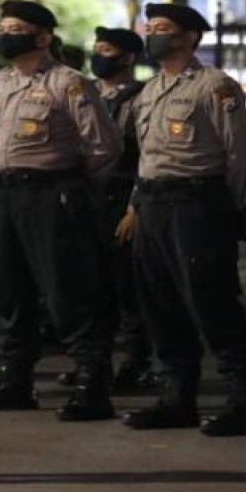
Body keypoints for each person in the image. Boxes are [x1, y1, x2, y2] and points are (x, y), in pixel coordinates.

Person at [0, 0, 123, 423]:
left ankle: (91, 383)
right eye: (3, 26)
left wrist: (71, 185)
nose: (5, 34)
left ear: (43, 37)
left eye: (16, 28)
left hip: (50, 194)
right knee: (6, 288)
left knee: (68, 289)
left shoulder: (68, 84)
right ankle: (15, 379)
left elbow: (104, 146)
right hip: (3, 195)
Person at [121, 2, 246, 437]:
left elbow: (239, 152)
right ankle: (176, 397)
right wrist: (134, 205)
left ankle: (244, 400)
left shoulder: (214, 85)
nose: (153, 35)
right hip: (153, 205)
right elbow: (147, 157)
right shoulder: (149, 91)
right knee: (160, 303)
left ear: (190, 37)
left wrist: (226, 207)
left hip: (196, 202)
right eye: (150, 28)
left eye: (163, 29)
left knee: (211, 299)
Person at [85, 27, 155, 393]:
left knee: (128, 286)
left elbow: (148, 156)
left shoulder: (142, 97)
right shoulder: (88, 93)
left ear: (128, 57)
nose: (99, 56)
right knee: (94, 287)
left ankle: (136, 360)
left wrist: (135, 207)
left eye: (107, 50)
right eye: (96, 49)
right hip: (90, 197)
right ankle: (96, 362)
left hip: (123, 195)